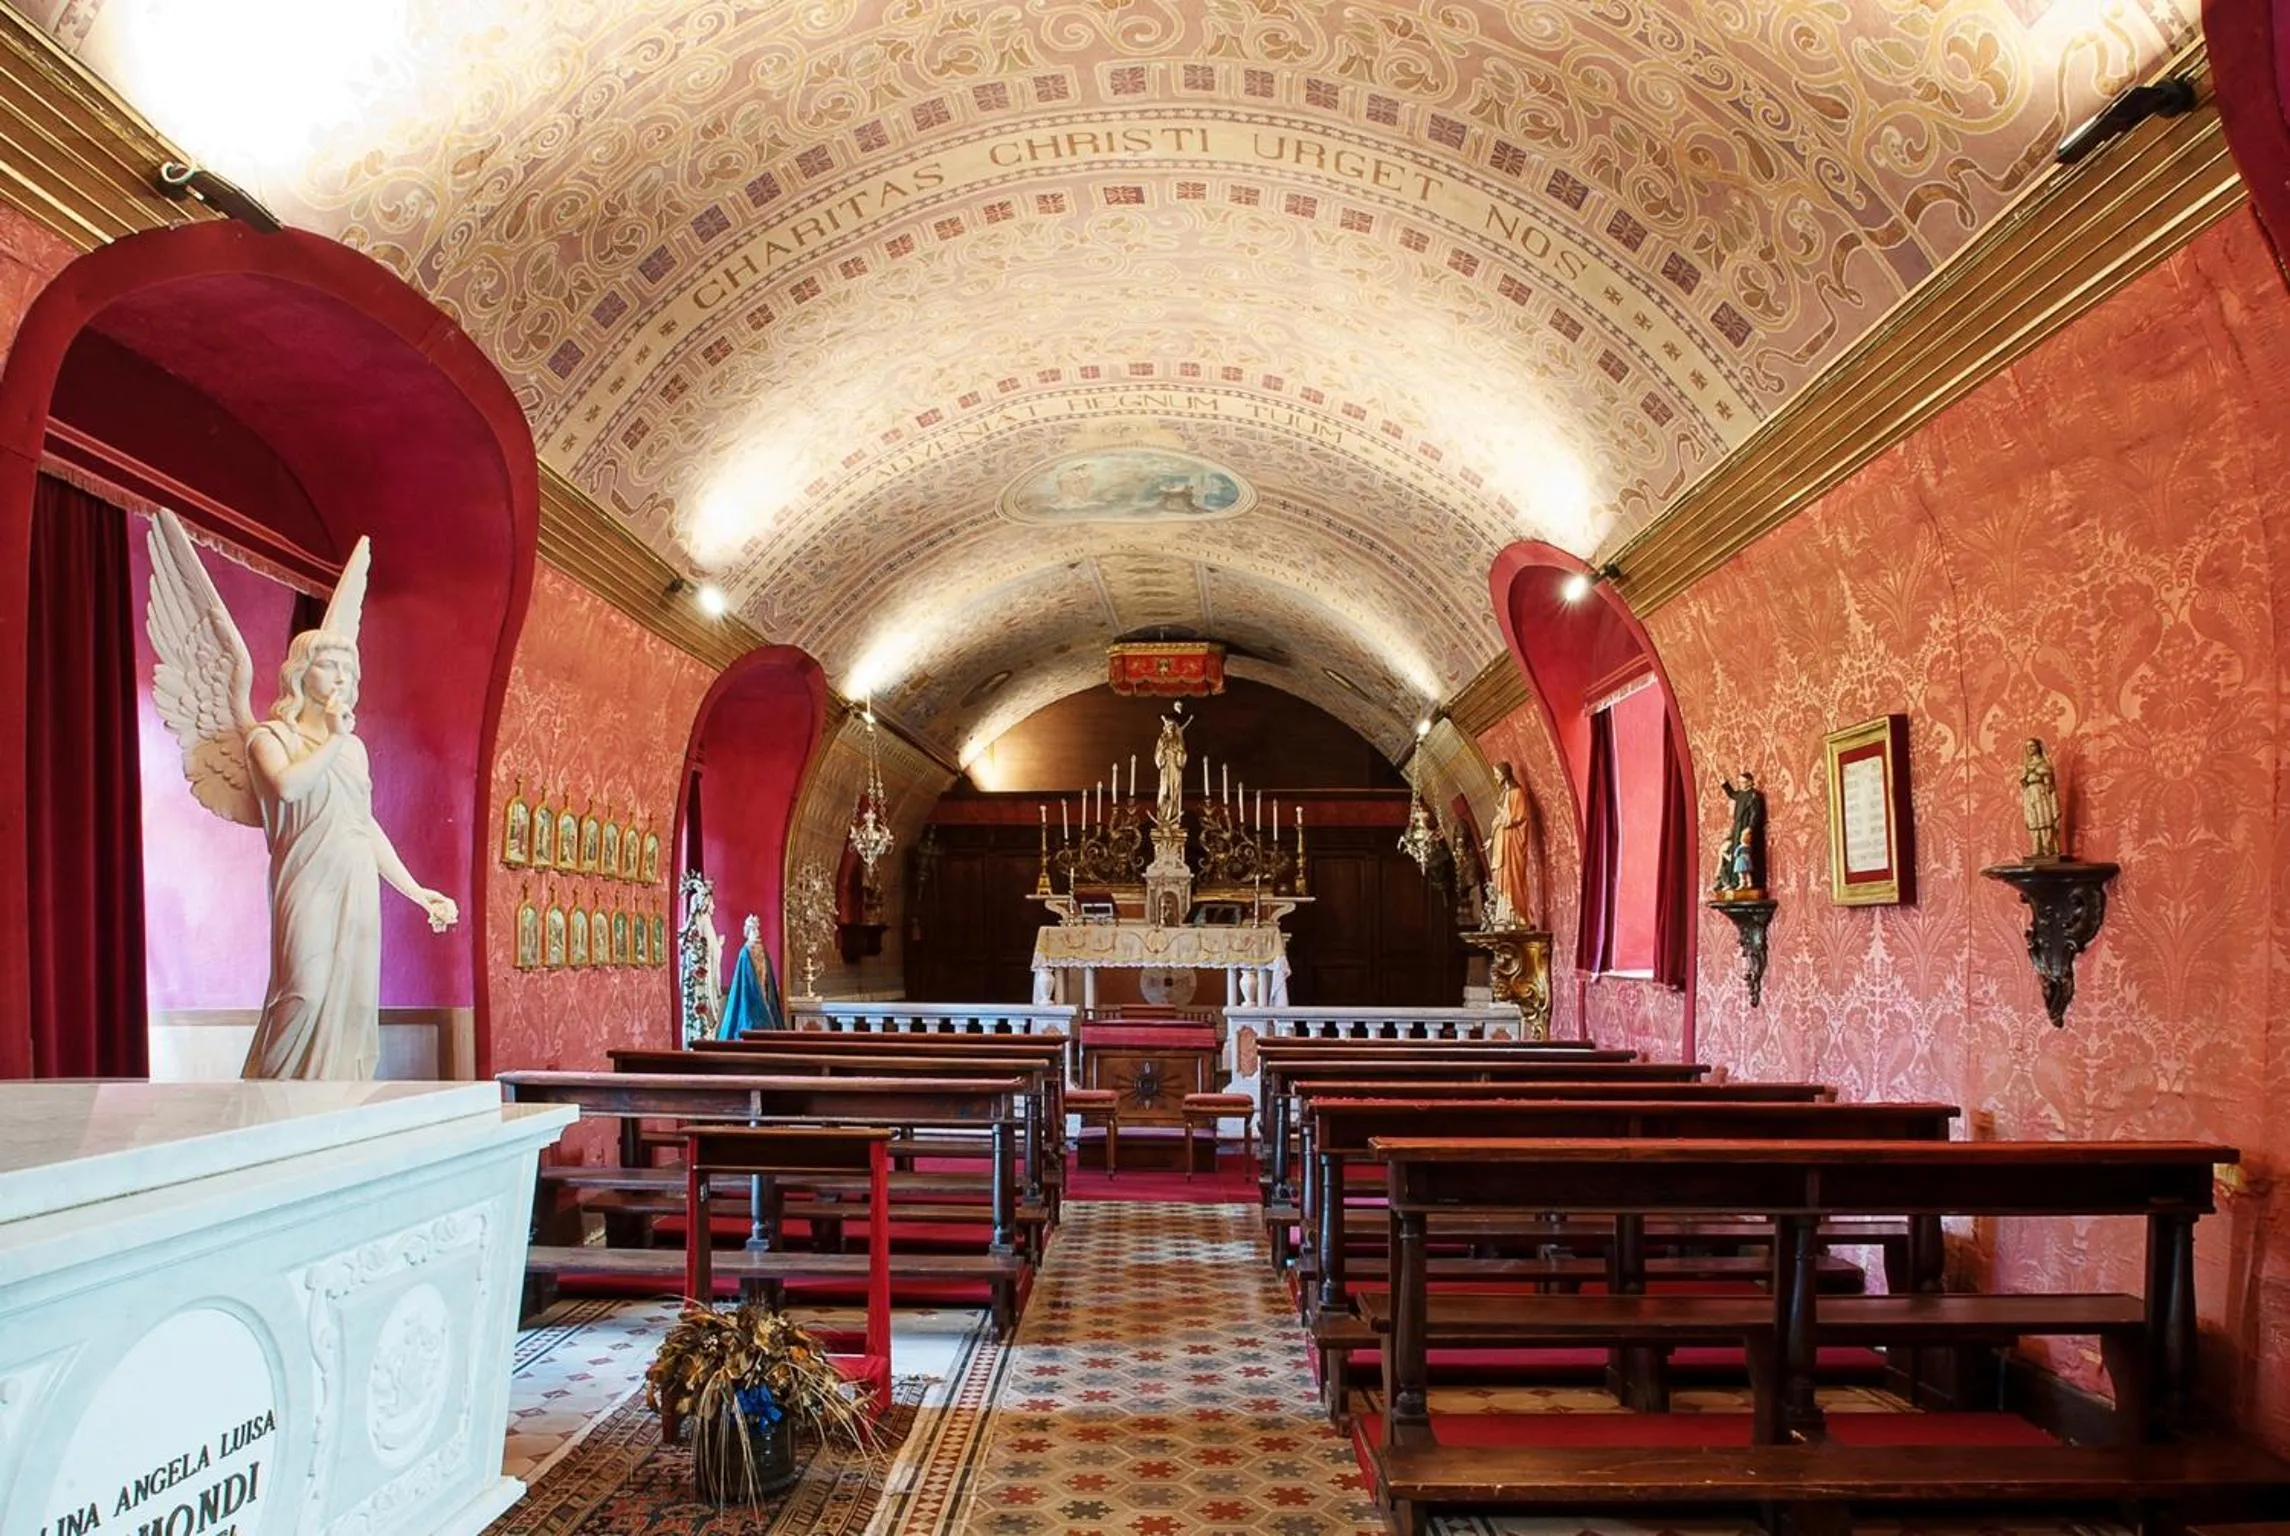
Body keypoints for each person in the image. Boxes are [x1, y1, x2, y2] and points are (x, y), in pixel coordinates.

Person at [239, 631, 457, 1078]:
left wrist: (417, 892)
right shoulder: (270, 738)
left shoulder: (355, 750)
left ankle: (336, 1099)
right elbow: (287, 787)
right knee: (305, 991)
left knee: (355, 1001)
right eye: (327, 665)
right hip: (306, 875)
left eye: (348, 668)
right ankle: (273, 1101)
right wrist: (334, 739)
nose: (341, 676)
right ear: (300, 673)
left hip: (355, 876)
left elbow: (364, 824)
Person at [1484, 761, 1538, 928]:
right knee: (1501, 875)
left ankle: (1515, 914)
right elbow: (1498, 820)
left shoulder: (1517, 793)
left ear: (1505, 774)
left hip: (1512, 843)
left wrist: (1505, 817)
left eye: (1497, 774)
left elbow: (1519, 817)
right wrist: (1491, 838)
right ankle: (1503, 914)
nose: (1496, 777)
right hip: (1502, 842)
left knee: (1512, 876)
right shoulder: (1504, 794)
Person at [1715, 771, 1765, 893]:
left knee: (1742, 855)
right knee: (1731, 851)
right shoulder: (1741, 794)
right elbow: (1732, 794)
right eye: (1740, 782)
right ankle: (1733, 880)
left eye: (1743, 782)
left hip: (1745, 827)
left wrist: (1750, 827)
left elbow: (1755, 813)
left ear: (1750, 782)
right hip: (1737, 826)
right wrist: (1724, 784)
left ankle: (1743, 881)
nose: (1741, 784)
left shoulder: (1754, 795)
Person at [2019, 738, 2061, 859]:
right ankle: (2037, 849)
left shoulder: (2044, 763)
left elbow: (2049, 780)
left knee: (2045, 819)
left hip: (2042, 793)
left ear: (2038, 747)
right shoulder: (2027, 765)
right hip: (2031, 793)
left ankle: (2048, 847)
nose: (2029, 749)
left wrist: (2045, 780)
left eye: (2032, 746)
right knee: (2034, 820)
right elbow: (2023, 782)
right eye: (2027, 747)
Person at [1153, 706, 1191, 825]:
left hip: (1175, 767)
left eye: (1172, 726)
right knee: (1165, 789)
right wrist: (1162, 752)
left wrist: (1178, 752)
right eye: (1168, 726)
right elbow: (1158, 756)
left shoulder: (1177, 740)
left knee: (1174, 789)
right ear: (1165, 728)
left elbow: (1182, 754)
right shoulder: (1162, 740)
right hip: (1165, 768)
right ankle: (1163, 815)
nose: (1170, 728)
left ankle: (1173, 814)